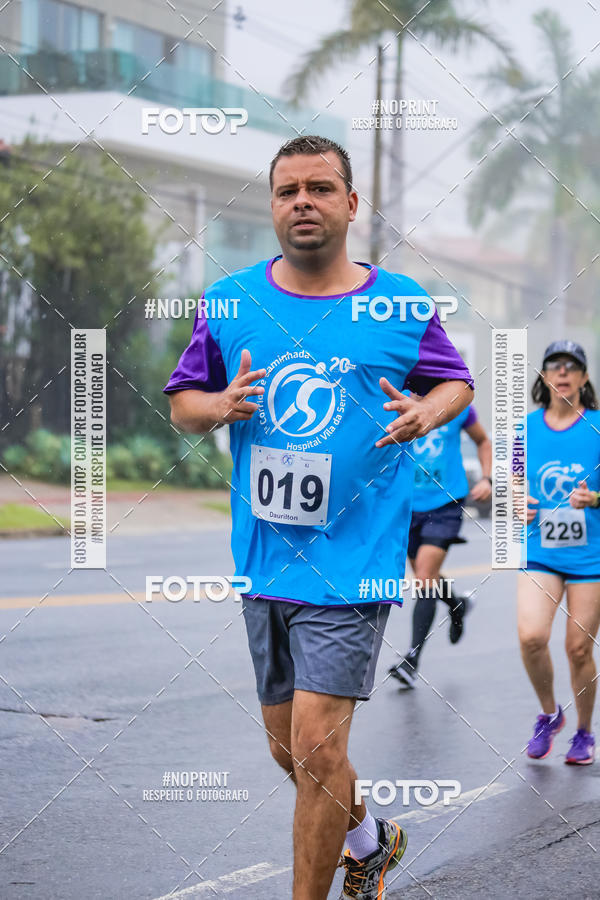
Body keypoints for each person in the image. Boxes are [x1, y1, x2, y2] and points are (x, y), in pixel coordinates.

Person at [164, 135, 474, 900]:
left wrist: (425, 413)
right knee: (294, 754)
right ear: (272, 206)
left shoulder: (400, 303)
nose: (302, 201)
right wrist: (219, 406)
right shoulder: (231, 301)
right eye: (287, 190)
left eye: (320, 188)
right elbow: (182, 404)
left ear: (350, 204)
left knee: (314, 743)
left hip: (355, 560)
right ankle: (369, 840)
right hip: (267, 558)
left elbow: (457, 383)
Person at [519, 340, 600, 765]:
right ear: (544, 376)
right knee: (532, 637)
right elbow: (509, 486)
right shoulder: (523, 429)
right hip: (541, 549)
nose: (563, 371)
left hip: (591, 556)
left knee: (578, 649)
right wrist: (516, 501)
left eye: (572, 366)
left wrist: (596, 499)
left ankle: (585, 733)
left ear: (584, 378)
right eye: (554, 365)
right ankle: (550, 714)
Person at [389, 404, 492, 688]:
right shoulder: (398, 399)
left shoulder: (457, 405)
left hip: (446, 503)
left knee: (423, 579)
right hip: (407, 505)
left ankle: (412, 660)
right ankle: (457, 604)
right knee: (428, 578)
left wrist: (487, 478)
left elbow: (483, 440)